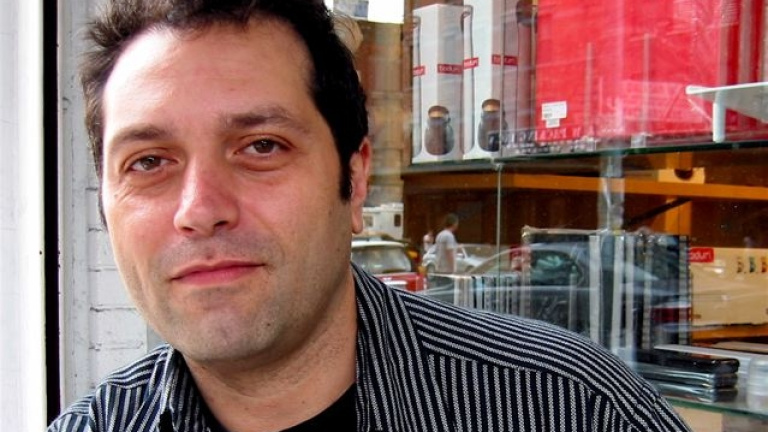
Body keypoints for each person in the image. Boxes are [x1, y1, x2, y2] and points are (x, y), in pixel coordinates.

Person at [49, 1, 692, 431]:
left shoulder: (568, 410)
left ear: (354, 179)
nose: (200, 210)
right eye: (148, 162)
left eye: (261, 147)